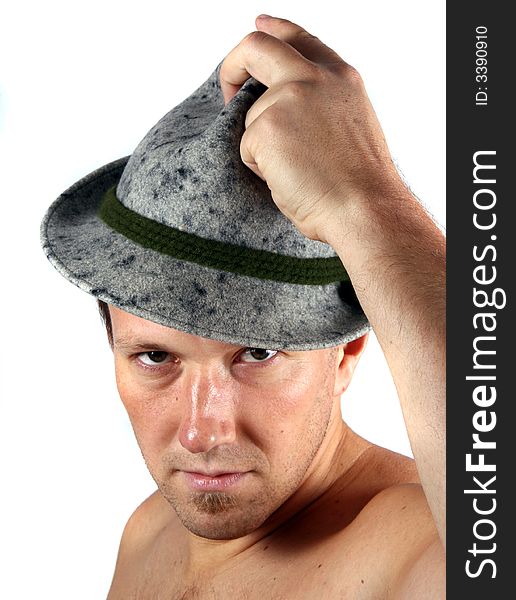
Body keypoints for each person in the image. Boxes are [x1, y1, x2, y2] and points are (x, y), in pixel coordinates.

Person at [41, 14, 445, 599]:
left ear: (346, 353)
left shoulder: (411, 546)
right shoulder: (147, 532)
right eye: (155, 357)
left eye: (257, 352)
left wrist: (368, 198)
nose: (204, 432)